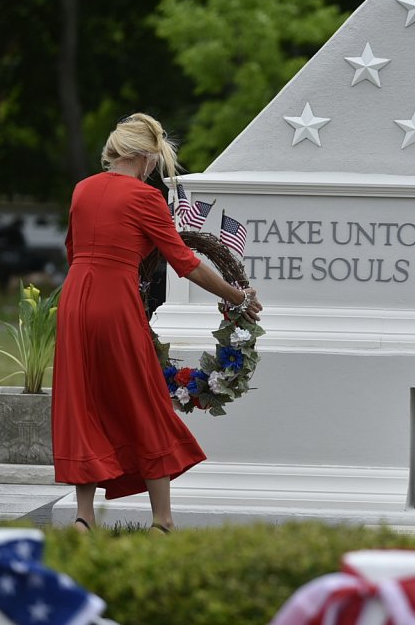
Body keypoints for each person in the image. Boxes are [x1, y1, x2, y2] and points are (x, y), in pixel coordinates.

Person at [52, 112, 262, 534]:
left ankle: (83, 517)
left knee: (82, 400)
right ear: (146, 157)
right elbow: (185, 264)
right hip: (114, 300)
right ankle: (162, 521)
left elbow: (73, 252)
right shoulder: (145, 198)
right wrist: (237, 295)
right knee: (142, 397)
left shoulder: (82, 190)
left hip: (74, 300)